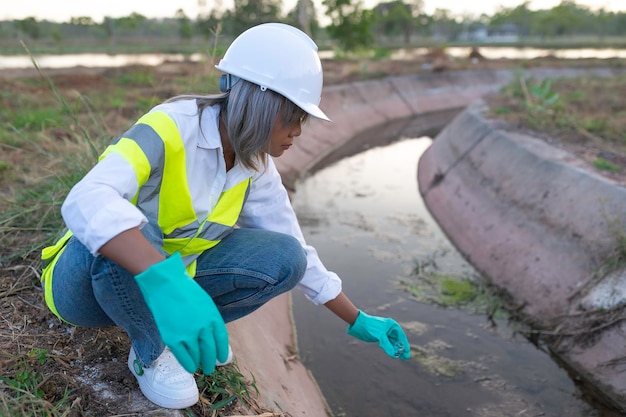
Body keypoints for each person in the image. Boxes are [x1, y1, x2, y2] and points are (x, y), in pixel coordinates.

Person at [40, 22, 411, 410]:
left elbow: (295, 247)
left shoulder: (256, 166)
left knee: (287, 259)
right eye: (293, 117)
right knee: (129, 225)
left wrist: (356, 318)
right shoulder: (170, 127)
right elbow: (86, 199)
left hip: (163, 283)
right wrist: (167, 282)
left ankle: (178, 328)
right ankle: (152, 351)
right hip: (83, 286)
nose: (298, 132)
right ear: (261, 102)